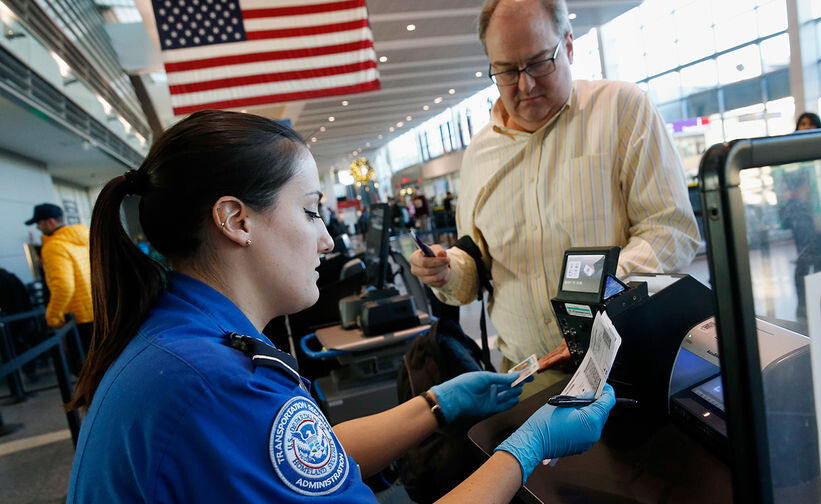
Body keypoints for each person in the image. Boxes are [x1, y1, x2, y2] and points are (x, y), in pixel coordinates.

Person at [65, 110, 615, 503]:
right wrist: (527, 447)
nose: (327, 239)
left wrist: (434, 404)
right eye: (310, 212)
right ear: (236, 221)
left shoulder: (184, 342)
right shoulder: (218, 382)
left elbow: (303, 460)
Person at [410, 0, 699, 388]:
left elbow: (671, 230)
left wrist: (598, 300)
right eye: (508, 71)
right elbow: (476, 266)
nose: (525, 83)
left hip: (624, 364)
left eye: (539, 62)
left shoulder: (622, 110)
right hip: (528, 376)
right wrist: (447, 270)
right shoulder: (479, 153)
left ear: (569, 45)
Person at [25, 203, 93, 365]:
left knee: (80, 365)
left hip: (78, 317)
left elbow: (64, 286)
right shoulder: (84, 238)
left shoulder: (53, 246)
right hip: (97, 308)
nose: (38, 228)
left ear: (50, 222)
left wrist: (53, 317)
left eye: (39, 223)